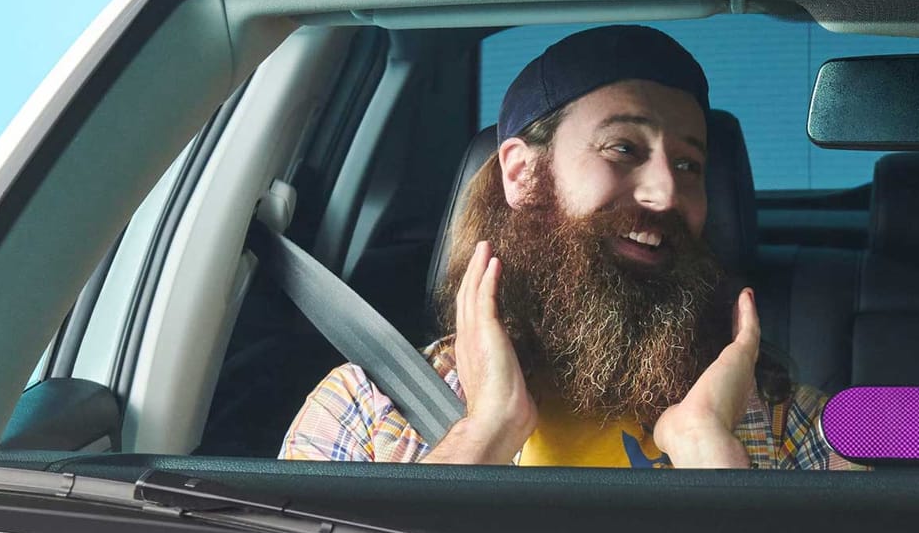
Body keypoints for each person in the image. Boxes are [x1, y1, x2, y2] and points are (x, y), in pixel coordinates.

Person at [280, 25, 854, 469]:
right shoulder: (363, 410)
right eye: (623, 149)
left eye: (689, 164)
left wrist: (709, 449)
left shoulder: (793, 421)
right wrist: (483, 436)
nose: (665, 192)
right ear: (523, 174)